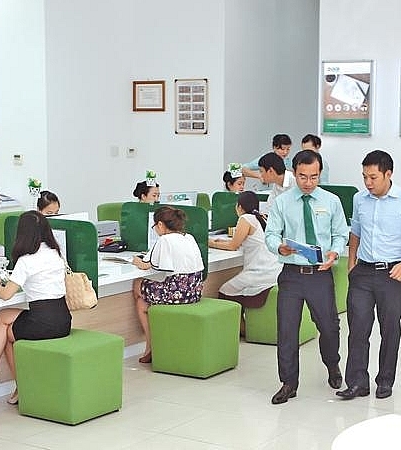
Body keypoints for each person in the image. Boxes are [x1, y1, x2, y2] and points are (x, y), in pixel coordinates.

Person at [264, 149, 348, 405]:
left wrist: (335, 252)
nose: (308, 182)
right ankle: (288, 383)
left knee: (329, 326)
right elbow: (271, 234)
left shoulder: (331, 201)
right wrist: (279, 247)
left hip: (320, 275)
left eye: (313, 177)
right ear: (294, 172)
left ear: (320, 174)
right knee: (287, 330)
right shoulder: (282, 202)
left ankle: (332, 364)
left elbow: (340, 234)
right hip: (291, 274)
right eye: (302, 176)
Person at [0, 211, 71, 404]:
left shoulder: (26, 260)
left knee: (6, 333)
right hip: (63, 320)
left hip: (43, 323)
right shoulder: (56, 253)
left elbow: (5, 295)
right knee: (3, 317)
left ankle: (14, 382)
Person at [337, 150, 401, 400]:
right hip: (362, 272)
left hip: (392, 274)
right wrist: (351, 263)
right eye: (364, 176)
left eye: (373, 177)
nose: (368, 182)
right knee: (358, 328)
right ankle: (357, 383)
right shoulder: (359, 199)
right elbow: (355, 232)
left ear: (388, 174)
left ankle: (385, 380)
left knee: (390, 330)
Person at [131, 206, 204, 363]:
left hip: (178, 294)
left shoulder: (165, 240)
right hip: (194, 292)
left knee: (138, 284)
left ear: (160, 224)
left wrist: (136, 260)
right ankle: (151, 346)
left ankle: (150, 345)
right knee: (142, 303)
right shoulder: (189, 237)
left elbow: (146, 265)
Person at [209, 191, 281, 331]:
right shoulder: (262, 218)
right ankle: (243, 327)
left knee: (225, 290)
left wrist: (211, 243)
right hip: (274, 269)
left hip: (261, 272)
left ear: (239, 207)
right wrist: (219, 242)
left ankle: (241, 329)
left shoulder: (245, 219)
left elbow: (233, 246)